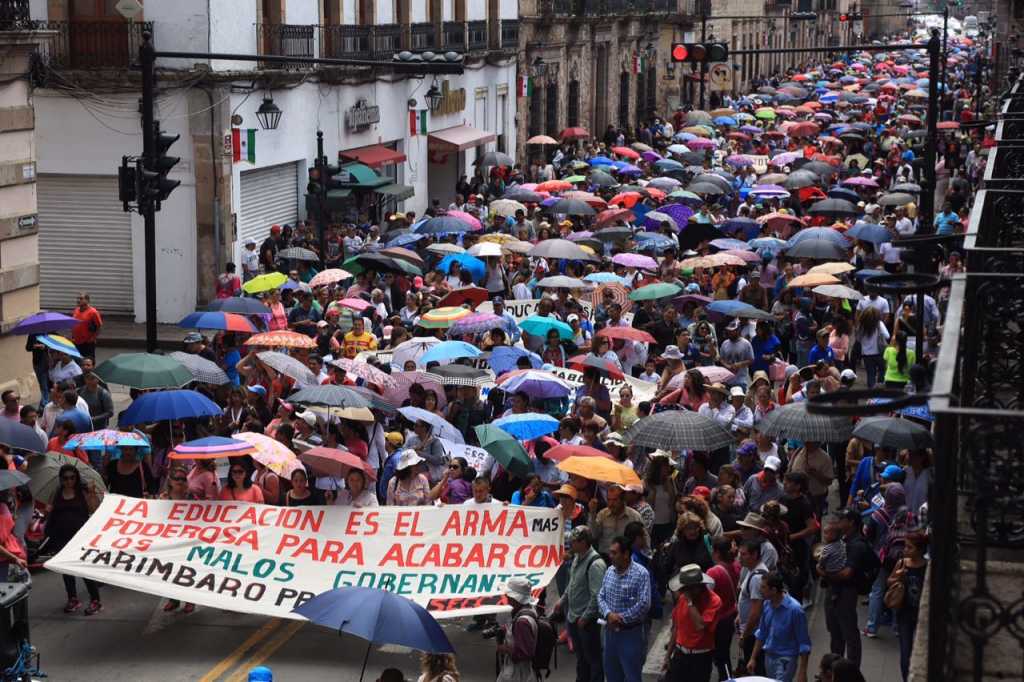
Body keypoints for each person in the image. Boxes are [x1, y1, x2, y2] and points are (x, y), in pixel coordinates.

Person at [45, 464, 103, 614]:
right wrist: (48, 511)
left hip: (80, 537)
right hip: (61, 536)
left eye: (72, 477)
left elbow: (95, 510)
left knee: (83, 568)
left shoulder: (83, 492)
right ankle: (72, 598)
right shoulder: (57, 492)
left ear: (77, 478)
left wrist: (91, 493)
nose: (69, 481)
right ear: (61, 479)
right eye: (65, 478)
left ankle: (95, 600)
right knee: (67, 570)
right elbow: (49, 511)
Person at [555, 526, 606, 682]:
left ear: (584, 542)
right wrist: (562, 600)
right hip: (574, 617)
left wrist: (585, 617)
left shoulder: (596, 565)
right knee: (581, 659)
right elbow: (572, 583)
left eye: (574, 542)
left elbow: (596, 596)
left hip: (586, 622)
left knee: (593, 660)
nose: (571, 544)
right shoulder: (577, 557)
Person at [597, 536, 651, 682]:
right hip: (610, 635)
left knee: (632, 675)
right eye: (610, 552)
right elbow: (601, 596)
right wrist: (608, 614)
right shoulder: (609, 571)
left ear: (626, 554)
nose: (610, 556)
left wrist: (620, 618)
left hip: (631, 634)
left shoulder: (641, 574)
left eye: (614, 553)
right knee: (612, 675)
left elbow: (644, 604)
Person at [745, 572, 812, 682]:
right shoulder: (767, 604)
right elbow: (762, 633)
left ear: (774, 590)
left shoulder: (795, 610)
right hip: (769, 657)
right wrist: (752, 658)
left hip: (786, 659)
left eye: (763, 587)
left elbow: (804, 643)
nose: (760, 590)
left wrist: (802, 672)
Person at [666, 563, 722, 682]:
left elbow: (699, 625)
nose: (682, 592)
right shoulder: (683, 598)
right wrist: (667, 656)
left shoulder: (714, 601)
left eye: (686, 589)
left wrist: (690, 602)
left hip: (700, 658)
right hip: (680, 655)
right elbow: (677, 628)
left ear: (698, 586)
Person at [887, 531, 928, 682]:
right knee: (905, 652)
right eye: (905, 546)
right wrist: (898, 577)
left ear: (920, 550)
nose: (905, 550)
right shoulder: (902, 563)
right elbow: (889, 582)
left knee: (922, 651)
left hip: (923, 614)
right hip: (904, 612)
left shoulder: (928, 567)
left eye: (909, 547)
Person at [494, 577, 539, 682]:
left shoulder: (522, 622)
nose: (507, 597)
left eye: (509, 595)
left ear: (515, 598)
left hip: (518, 673)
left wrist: (503, 648)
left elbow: (523, 653)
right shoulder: (529, 609)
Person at [737, 539, 769, 676]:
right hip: (751, 631)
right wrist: (739, 616)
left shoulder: (757, 578)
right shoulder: (751, 571)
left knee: (756, 670)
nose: (740, 557)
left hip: (753, 634)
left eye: (744, 554)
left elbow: (756, 612)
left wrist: (745, 635)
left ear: (755, 554)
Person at [589, 485, 646, 557]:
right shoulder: (602, 515)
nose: (611, 504)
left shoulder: (634, 516)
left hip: (625, 559)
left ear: (623, 500)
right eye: (609, 500)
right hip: (605, 557)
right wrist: (592, 513)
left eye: (615, 500)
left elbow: (644, 541)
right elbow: (594, 535)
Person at [70, 292, 102, 361]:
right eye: (77, 298)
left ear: (87, 300)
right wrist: (73, 336)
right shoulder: (76, 310)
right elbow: (74, 323)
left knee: (88, 361)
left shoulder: (93, 312)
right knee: (77, 360)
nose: (78, 300)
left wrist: (93, 338)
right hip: (76, 341)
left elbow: (99, 326)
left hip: (87, 342)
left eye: (81, 299)